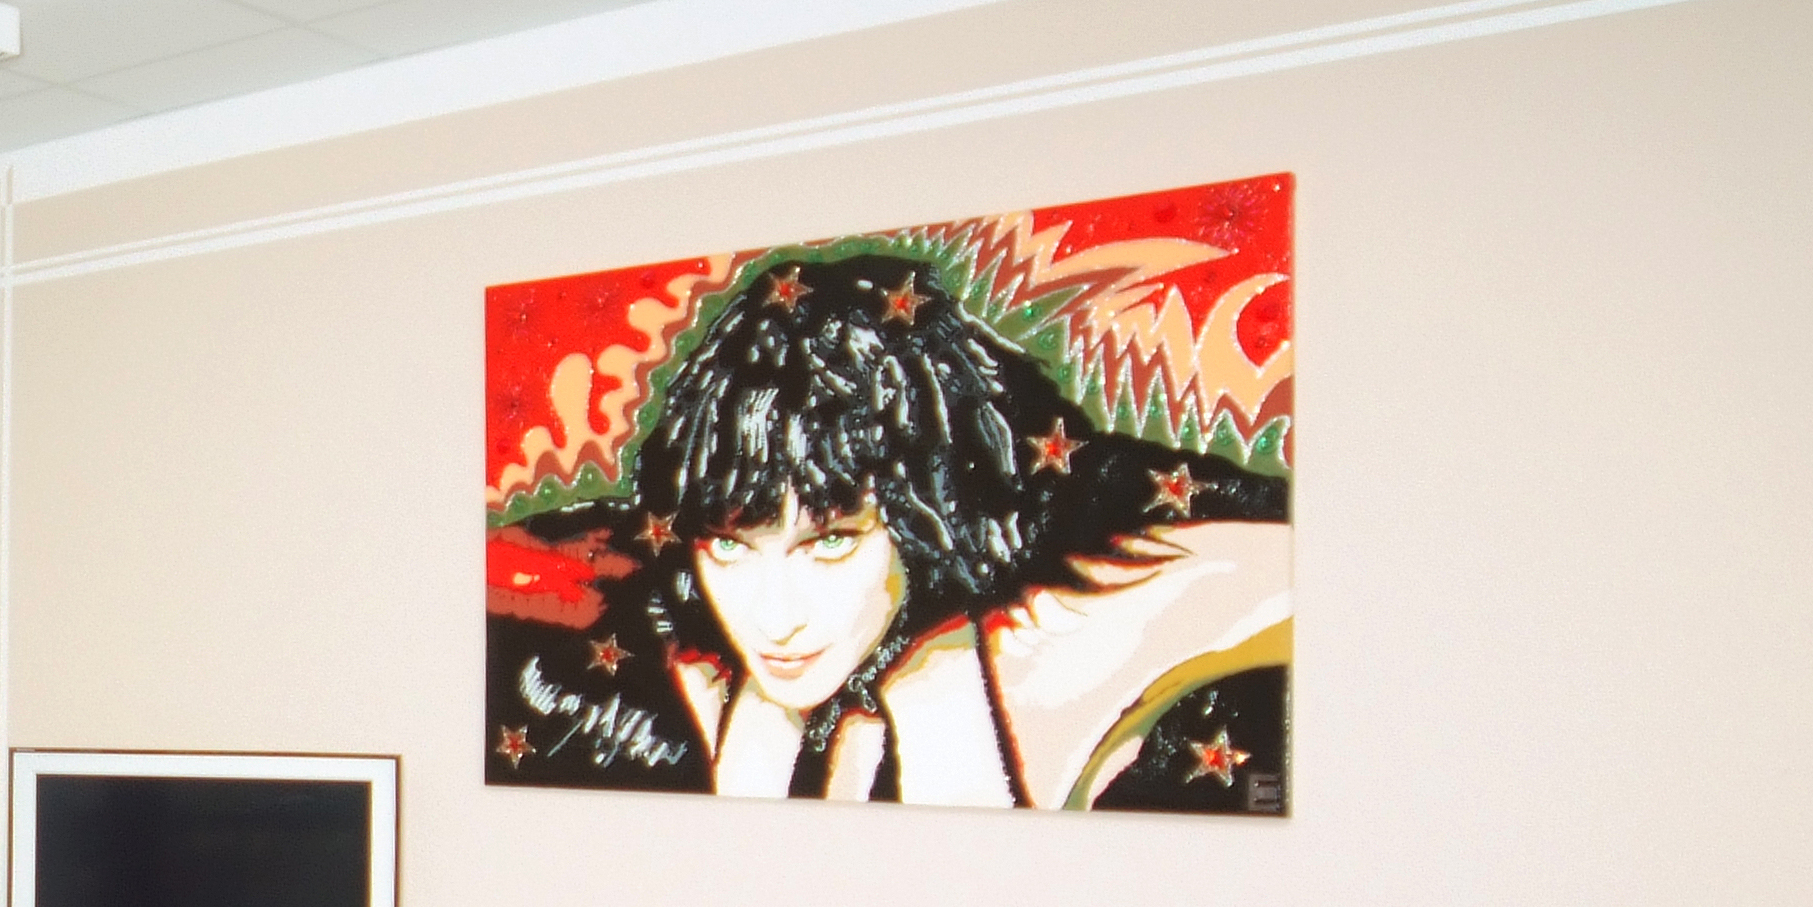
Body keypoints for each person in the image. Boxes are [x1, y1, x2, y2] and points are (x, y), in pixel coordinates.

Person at [486, 252, 1290, 810]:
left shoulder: (1060, 634)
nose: (773, 618)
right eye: (729, 546)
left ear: (921, 524)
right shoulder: (663, 640)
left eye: (830, 543)